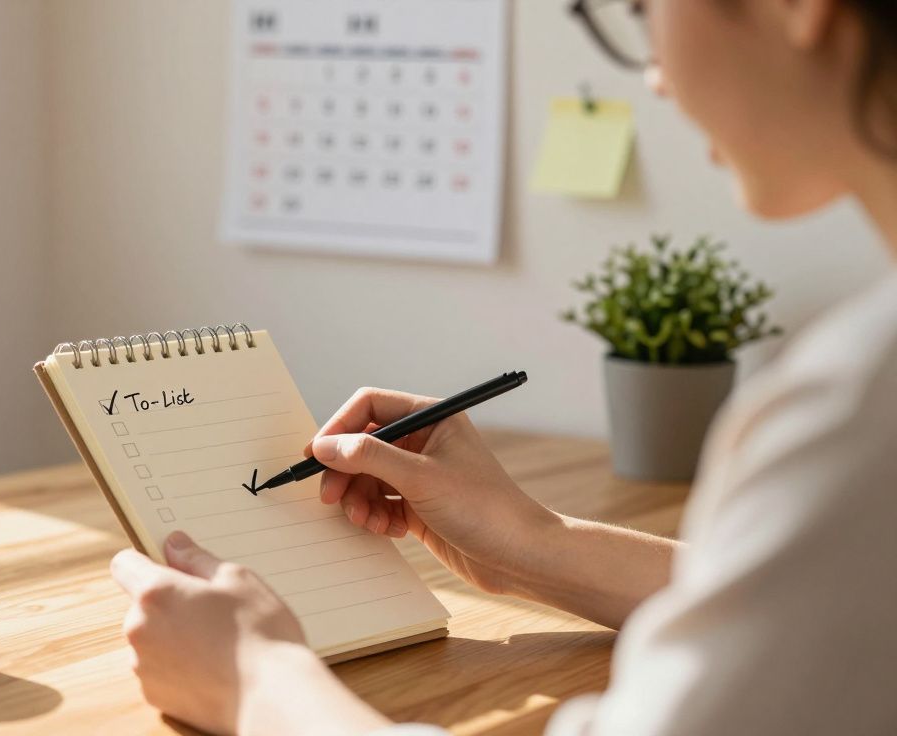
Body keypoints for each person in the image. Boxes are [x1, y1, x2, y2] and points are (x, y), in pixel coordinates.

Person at [109, 1, 897, 733]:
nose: (654, 73)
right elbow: (844, 602)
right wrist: (532, 542)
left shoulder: (860, 409)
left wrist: (256, 682)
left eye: (640, 9)